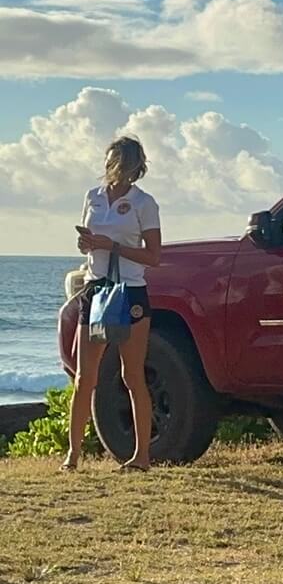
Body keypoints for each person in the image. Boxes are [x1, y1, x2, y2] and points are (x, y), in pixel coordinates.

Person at [64, 136, 162, 472]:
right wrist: (87, 244)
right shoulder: (92, 197)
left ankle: (142, 456)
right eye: (111, 160)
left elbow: (154, 256)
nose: (112, 167)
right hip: (95, 287)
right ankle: (73, 455)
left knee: (132, 374)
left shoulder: (143, 203)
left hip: (129, 290)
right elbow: (88, 244)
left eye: (119, 161)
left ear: (134, 166)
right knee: (84, 375)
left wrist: (114, 246)